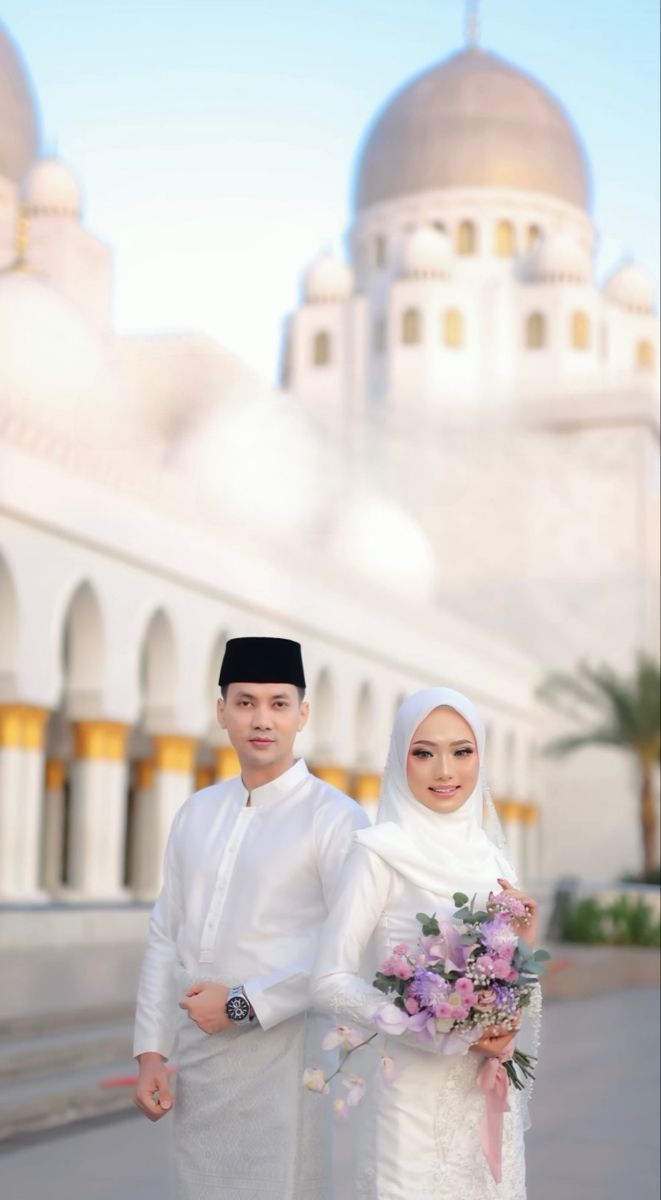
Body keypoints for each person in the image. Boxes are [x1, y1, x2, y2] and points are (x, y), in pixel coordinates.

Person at [133, 636, 370, 1200]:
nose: (261, 719)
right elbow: (166, 935)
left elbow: (351, 948)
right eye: (245, 702)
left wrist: (241, 1002)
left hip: (281, 1058)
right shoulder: (196, 811)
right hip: (199, 1062)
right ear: (221, 711)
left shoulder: (336, 819)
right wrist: (150, 1053)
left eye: (278, 703)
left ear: (302, 714)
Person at [312, 687, 540, 1200]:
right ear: (400, 758)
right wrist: (432, 1027)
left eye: (462, 751)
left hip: (482, 1095)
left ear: (481, 756)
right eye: (424, 752)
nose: (444, 771)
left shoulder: (491, 855)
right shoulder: (378, 853)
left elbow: (510, 974)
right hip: (412, 1101)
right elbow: (327, 980)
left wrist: (522, 952)